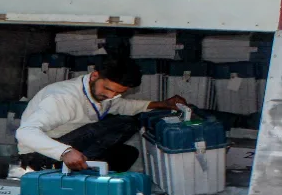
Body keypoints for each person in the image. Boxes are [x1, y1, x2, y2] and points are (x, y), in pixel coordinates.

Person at [16, 57, 189, 172]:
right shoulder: (62, 98)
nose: (110, 96)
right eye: (107, 89)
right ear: (94, 76)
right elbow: (25, 133)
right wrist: (65, 152)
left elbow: (120, 106)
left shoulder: (103, 94)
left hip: (70, 144)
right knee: (126, 124)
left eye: (117, 93)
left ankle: (79, 178)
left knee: (127, 154)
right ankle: (56, 167)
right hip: (39, 156)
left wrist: (161, 104)